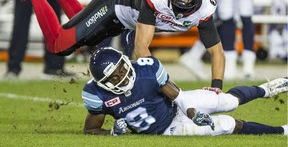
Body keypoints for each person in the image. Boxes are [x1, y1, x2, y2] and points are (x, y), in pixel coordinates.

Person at [0, 0, 225, 90]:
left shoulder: (205, 8)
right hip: (112, 7)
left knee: (93, 44)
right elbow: (141, 48)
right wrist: (164, 83)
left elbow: (217, 52)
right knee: (60, 45)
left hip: (124, 23)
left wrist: (216, 88)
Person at [81, 46, 288, 136]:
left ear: (126, 61)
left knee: (226, 101)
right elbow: (90, 130)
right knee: (227, 124)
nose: (123, 76)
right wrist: (113, 133)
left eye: (122, 68)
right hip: (166, 130)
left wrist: (193, 113)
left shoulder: (146, 68)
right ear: (103, 83)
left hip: (177, 105)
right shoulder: (96, 94)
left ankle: (267, 88)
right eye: (114, 77)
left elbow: (177, 95)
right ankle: (282, 131)